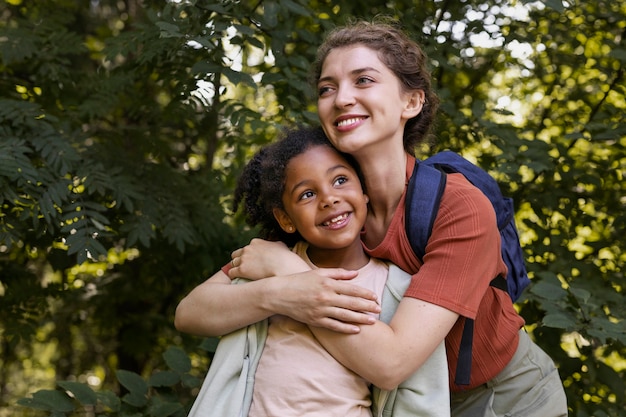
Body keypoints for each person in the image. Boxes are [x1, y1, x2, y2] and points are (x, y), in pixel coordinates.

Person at [176, 18, 568, 417]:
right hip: (404, 403)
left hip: (503, 395)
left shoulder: (457, 208)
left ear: (410, 102)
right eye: (328, 88)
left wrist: (291, 276)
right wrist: (281, 289)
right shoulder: (333, 206)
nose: (342, 97)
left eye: (363, 80)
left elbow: (390, 363)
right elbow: (192, 311)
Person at [176, 126, 449, 417]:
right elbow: (189, 314)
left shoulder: (396, 286)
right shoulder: (267, 262)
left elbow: (422, 396)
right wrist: (282, 293)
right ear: (285, 219)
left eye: (341, 180)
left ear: (365, 191)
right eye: (307, 194)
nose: (328, 198)